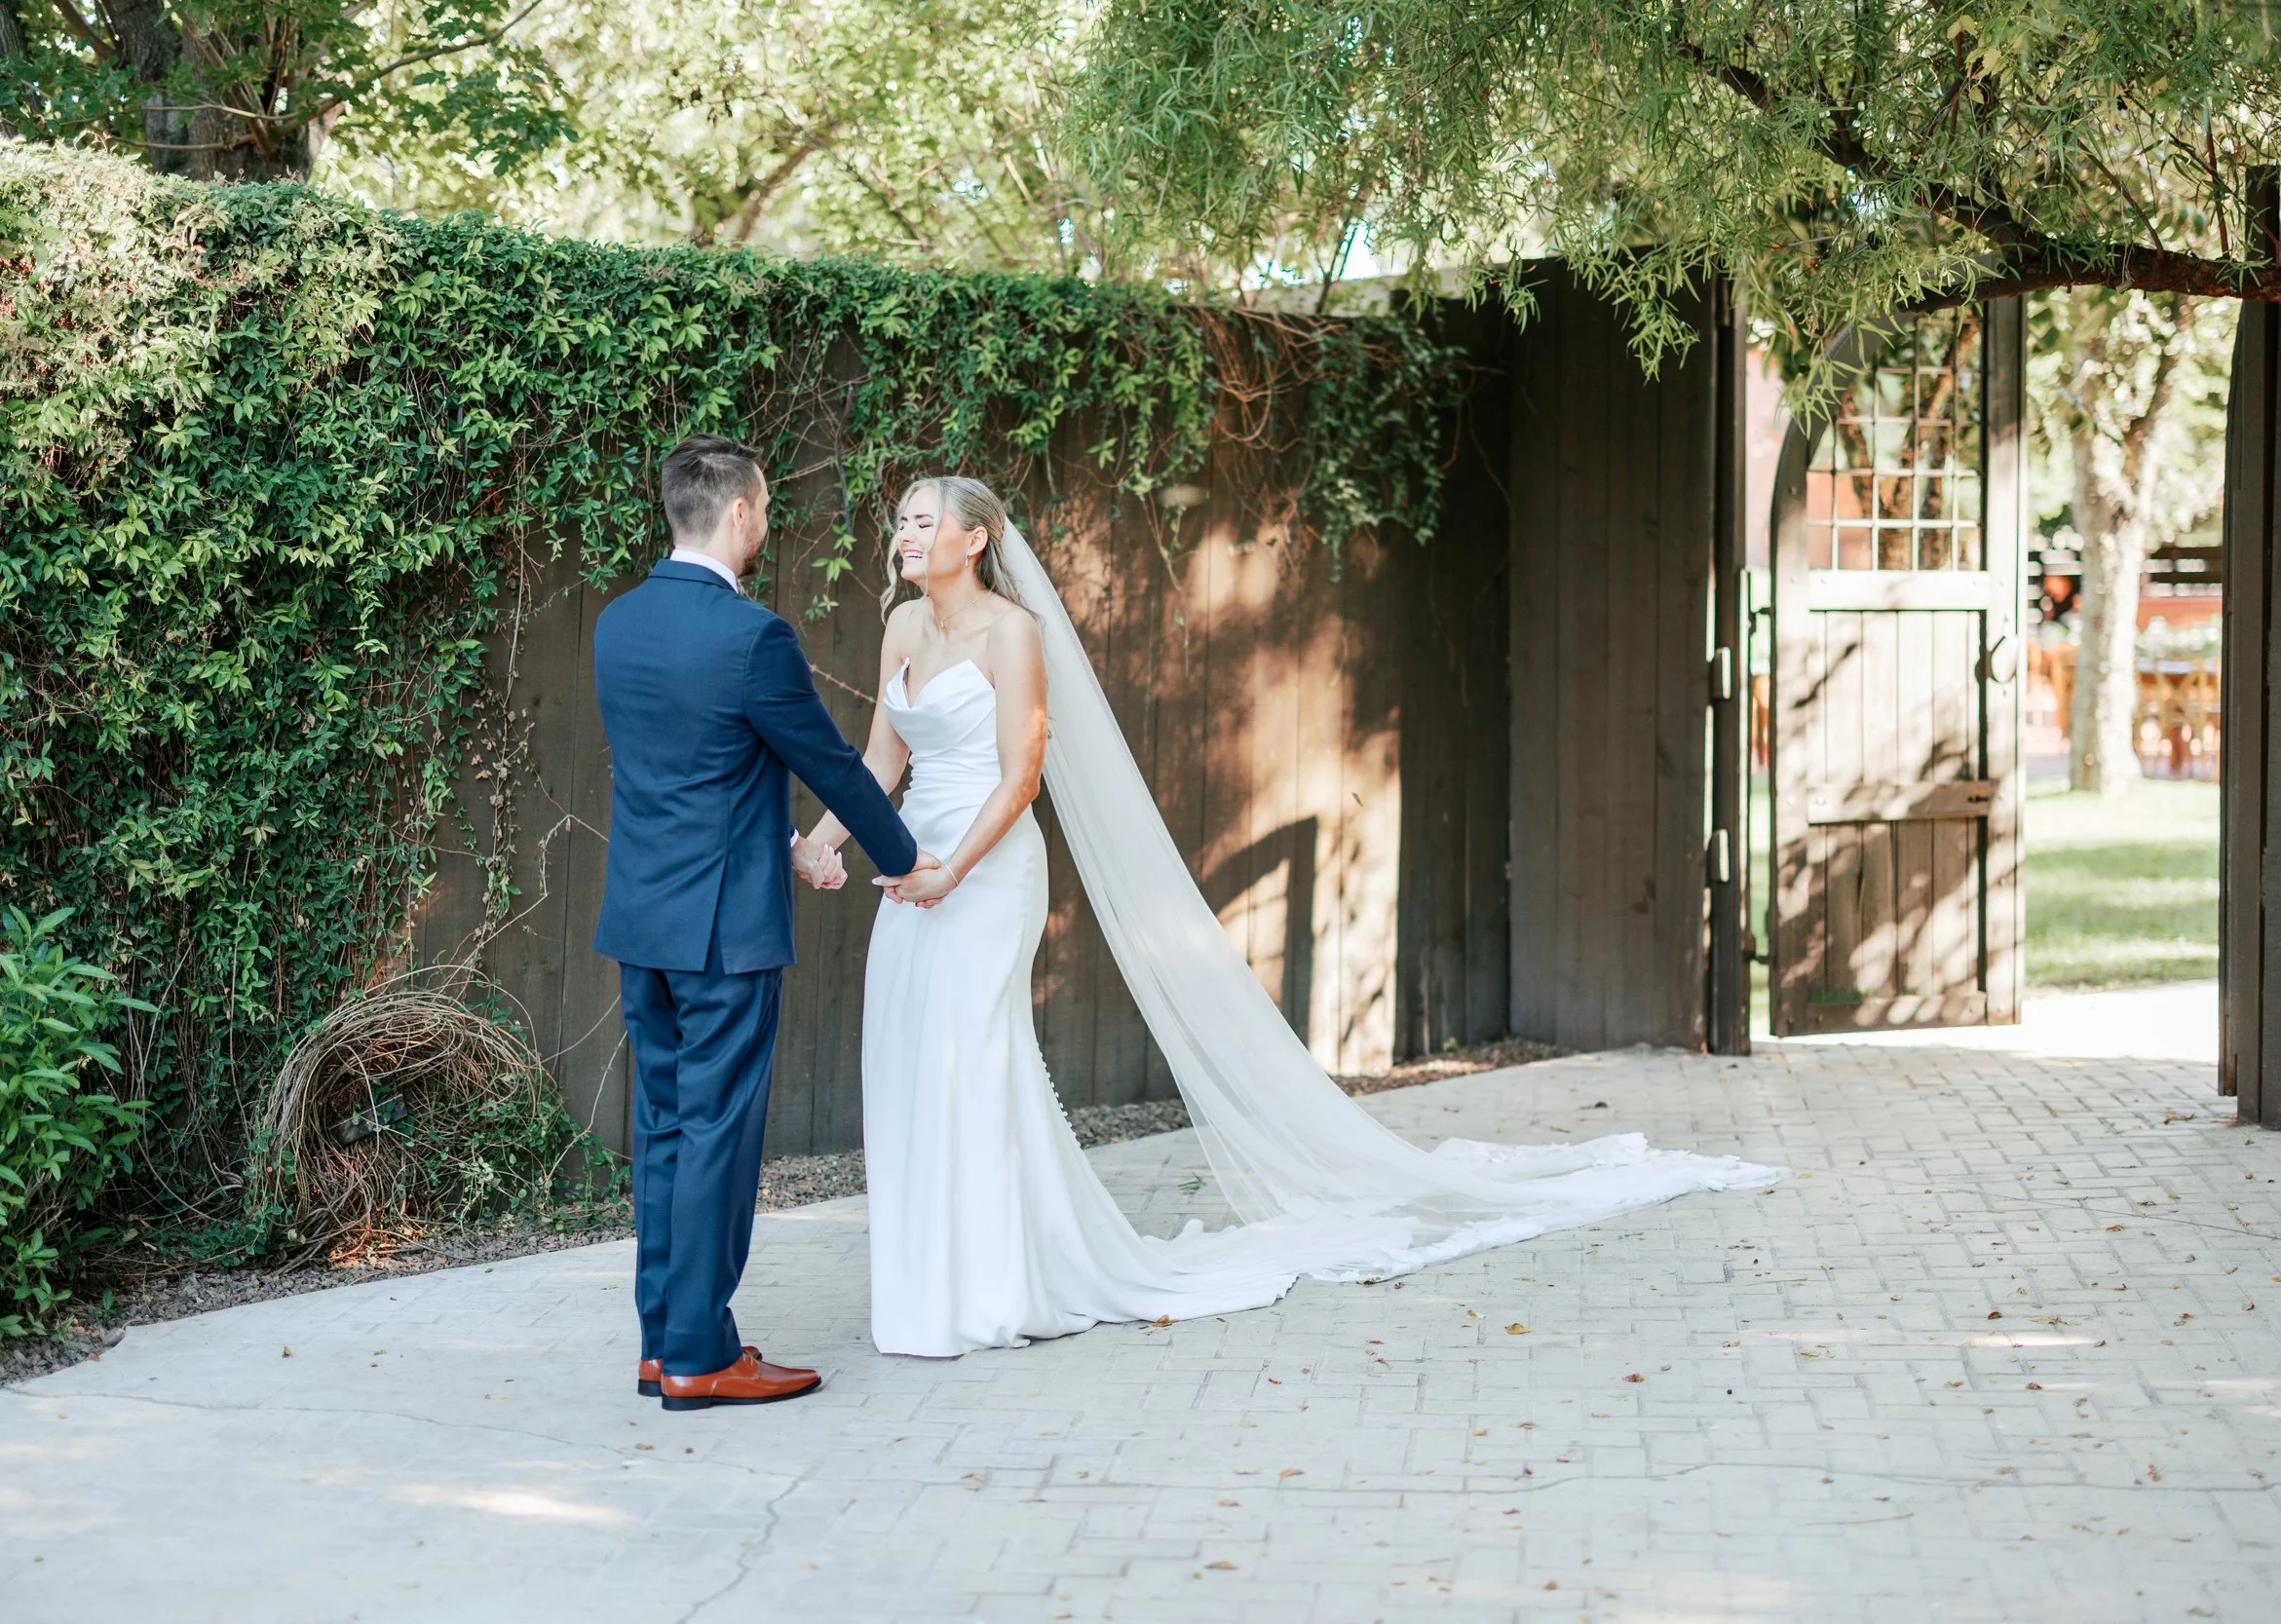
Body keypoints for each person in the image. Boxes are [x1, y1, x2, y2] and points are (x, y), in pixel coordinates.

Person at [796, 476, 1781, 1358]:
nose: (904, 534)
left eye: (925, 521)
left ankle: (996, 1287)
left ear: (975, 538)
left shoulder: (1013, 633)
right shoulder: (901, 631)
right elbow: (882, 765)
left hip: (983, 872)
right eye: (900, 523)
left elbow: (1019, 777)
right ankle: (932, 1285)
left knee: (975, 1059)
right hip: (909, 874)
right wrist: (829, 836)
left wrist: (951, 872)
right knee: (911, 1059)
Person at [592, 435, 934, 1409]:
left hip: (641, 920)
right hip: (724, 935)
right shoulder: (752, 638)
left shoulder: (617, 622)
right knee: (715, 1137)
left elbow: (690, 772)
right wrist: (909, 860)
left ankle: (663, 1342)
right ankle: (703, 1351)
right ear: (741, 513)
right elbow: (832, 763)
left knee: (663, 1129)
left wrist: (786, 841)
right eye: (768, 506)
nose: (769, 521)